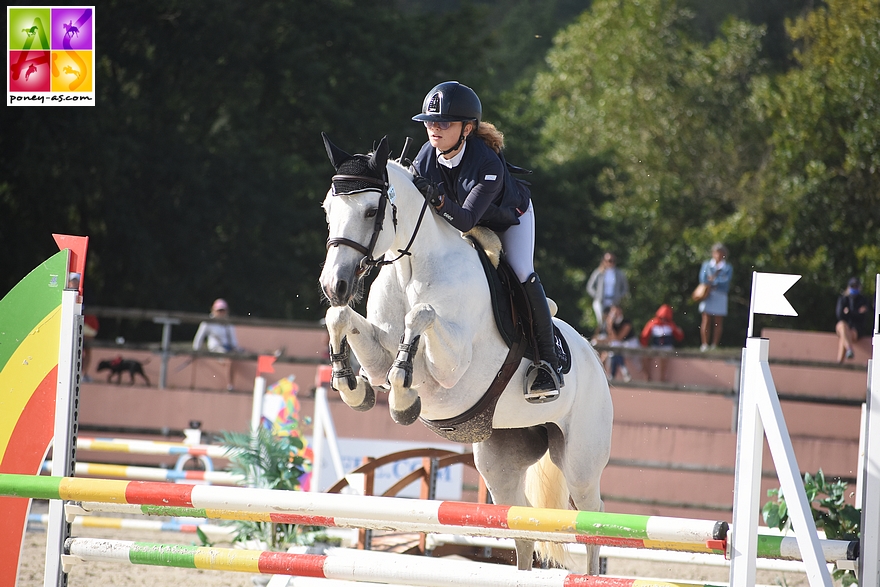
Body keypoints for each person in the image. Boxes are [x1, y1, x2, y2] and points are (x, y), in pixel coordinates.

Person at [410, 81, 561, 401]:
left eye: (443, 123)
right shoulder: (426, 155)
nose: (433, 128)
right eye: (429, 122)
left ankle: (547, 361)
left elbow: (466, 219)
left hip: (508, 220)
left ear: (466, 129)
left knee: (520, 269)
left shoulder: (487, 163)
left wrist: (436, 202)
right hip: (458, 221)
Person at [192, 298, 242, 390]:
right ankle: (230, 385)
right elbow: (199, 337)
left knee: (236, 356)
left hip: (228, 348)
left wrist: (236, 349)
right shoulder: (207, 322)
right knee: (229, 359)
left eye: (222, 310)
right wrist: (196, 350)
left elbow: (233, 340)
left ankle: (231, 385)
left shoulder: (228, 323)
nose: (221, 313)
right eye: (219, 310)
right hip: (216, 348)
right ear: (213, 310)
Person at [698, 243, 733, 351]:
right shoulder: (707, 265)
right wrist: (714, 281)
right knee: (706, 319)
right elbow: (702, 278)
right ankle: (704, 344)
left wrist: (713, 281)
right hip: (708, 294)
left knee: (718, 321)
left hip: (720, 294)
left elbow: (726, 281)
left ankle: (714, 344)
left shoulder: (727, 267)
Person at [639, 304, 684, 382]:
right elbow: (644, 335)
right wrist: (644, 346)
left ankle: (662, 379)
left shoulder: (671, 325)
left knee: (664, 357)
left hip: (667, 347)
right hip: (655, 346)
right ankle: (648, 377)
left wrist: (679, 331)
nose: (663, 320)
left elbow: (679, 337)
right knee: (645, 357)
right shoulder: (653, 323)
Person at [586, 252, 629, 330]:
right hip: (600, 301)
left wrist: (619, 296)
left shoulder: (619, 273)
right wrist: (597, 295)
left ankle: (610, 338)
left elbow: (625, 288)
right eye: (609, 261)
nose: (611, 263)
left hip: (614, 301)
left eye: (613, 261)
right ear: (604, 261)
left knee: (613, 321)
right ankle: (601, 335)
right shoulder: (598, 272)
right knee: (601, 320)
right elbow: (590, 287)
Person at [835, 277, 871, 363]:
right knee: (842, 326)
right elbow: (839, 315)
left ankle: (839, 362)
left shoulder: (863, 300)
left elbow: (863, 316)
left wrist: (849, 312)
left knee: (845, 336)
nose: (854, 288)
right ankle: (849, 349)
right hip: (844, 326)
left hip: (856, 329)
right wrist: (856, 312)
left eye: (856, 286)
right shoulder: (843, 299)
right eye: (853, 286)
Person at [605, 304, 636, 382]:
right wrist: (610, 325)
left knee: (615, 347)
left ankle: (613, 374)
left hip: (630, 343)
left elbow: (618, 338)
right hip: (620, 345)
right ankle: (623, 370)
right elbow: (612, 338)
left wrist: (610, 326)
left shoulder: (626, 322)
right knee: (615, 348)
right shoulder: (613, 323)